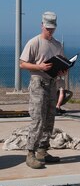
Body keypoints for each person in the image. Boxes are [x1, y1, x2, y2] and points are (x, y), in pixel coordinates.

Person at [19, 11, 66, 169]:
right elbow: (22, 63)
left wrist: (63, 70)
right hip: (38, 82)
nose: (50, 31)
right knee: (38, 119)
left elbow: (61, 63)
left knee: (49, 119)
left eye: (52, 29)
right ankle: (30, 153)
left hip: (52, 82)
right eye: (48, 28)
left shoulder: (57, 45)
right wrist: (39, 66)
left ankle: (42, 151)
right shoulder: (34, 42)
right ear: (42, 26)